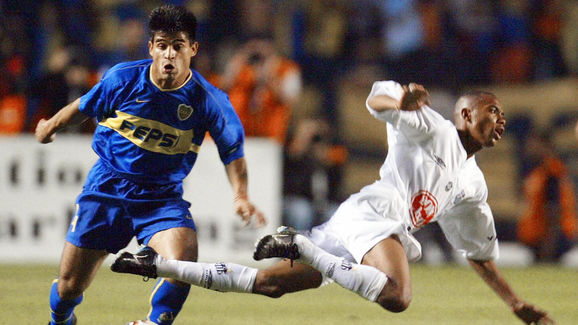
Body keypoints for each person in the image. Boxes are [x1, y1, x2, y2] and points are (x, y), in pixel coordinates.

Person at [111, 81, 554, 324]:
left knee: (269, 285)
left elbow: (480, 255)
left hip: (356, 232)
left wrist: (514, 303)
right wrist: (400, 99)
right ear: (465, 114)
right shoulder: (433, 128)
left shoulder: (473, 186)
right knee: (398, 296)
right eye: (493, 110)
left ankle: (153, 266)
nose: (501, 120)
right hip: (376, 216)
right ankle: (301, 247)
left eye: (503, 116)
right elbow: (376, 99)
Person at [35, 5, 265, 325]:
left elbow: (233, 152)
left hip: (161, 196)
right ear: (151, 48)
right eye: (162, 45)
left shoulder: (208, 100)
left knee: (184, 260)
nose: (169, 54)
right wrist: (50, 127)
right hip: (107, 187)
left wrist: (240, 195)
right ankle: (61, 319)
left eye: (178, 45)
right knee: (70, 286)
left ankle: (155, 323)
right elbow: (82, 106)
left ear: (193, 49)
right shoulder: (123, 79)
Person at [220, 38, 301, 145]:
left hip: (272, 134)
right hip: (242, 132)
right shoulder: (243, 66)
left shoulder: (287, 68)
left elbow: (291, 99)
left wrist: (269, 78)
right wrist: (242, 57)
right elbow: (223, 86)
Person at [517, 130, 576, 262]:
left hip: (552, 241)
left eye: (534, 144)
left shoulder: (552, 172)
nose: (529, 147)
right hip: (539, 238)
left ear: (545, 146)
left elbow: (554, 211)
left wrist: (548, 248)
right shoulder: (539, 172)